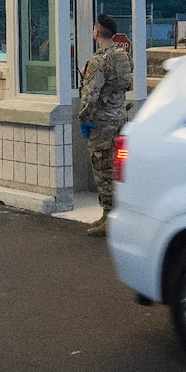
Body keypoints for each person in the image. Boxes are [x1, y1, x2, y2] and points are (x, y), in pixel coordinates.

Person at [78, 13, 134, 237]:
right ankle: (108, 214)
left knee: (103, 169)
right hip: (119, 119)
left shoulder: (99, 60)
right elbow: (126, 84)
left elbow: (90, 96)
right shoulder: (123, 56)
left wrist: (84, 118)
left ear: (97, 32)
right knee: (116, 168)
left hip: (101, 124)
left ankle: (109, 217)